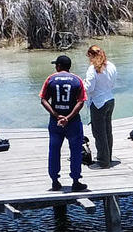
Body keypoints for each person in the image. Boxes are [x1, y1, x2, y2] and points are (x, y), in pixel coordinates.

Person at [38, 54, 88, 193]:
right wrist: (69, 117)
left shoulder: (51, 79)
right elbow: (81, 101)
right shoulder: (77, 80)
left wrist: (56, 115)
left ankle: (55, 181)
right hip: (72, 123)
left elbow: (43, 99)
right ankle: (76, 181)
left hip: (55, 123)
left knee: (54, 150)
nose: (55, 67)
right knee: (76, 151)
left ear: (59, 66)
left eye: (56, 65)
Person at [85, 45, 118, 169]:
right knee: (108, 131)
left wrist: (82, 84)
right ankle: (107, 156)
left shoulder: (92, 69)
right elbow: (113, 83)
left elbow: (89, 88)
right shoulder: (111, 66)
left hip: (98, 103)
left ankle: (103, 161)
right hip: (110, 100)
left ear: (92, 55)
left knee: (99, 133)